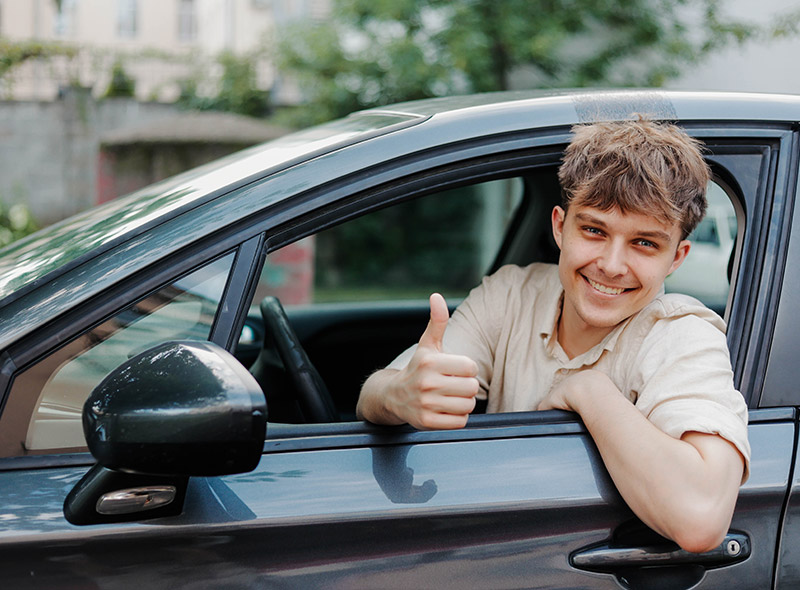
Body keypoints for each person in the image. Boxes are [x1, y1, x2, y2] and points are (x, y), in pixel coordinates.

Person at [356, 118, 750, 554]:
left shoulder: (682, 335)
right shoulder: (511, 292)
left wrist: (589, 391)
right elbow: (374, 394)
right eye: (594, 231)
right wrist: (400, 393)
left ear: (676, 258)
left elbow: (700, 520)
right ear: (560, 227)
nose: (611, 265)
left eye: (644, 244)